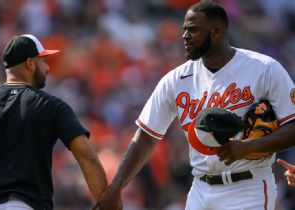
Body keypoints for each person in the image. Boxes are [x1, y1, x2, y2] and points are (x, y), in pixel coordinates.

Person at [93, 1, 295, 210]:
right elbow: (145, 136)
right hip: (200, 189)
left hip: (248, 187)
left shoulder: (264, 69)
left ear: (216, 31)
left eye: (193, 29)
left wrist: (250, 147)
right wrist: (116, 187)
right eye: (184, 30)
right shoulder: (176, 79)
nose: (185, 36)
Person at [0, 34, 108, 210]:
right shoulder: (52, 106)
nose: (47, 67)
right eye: (43, 61)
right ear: (30, 63)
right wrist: (108, 203)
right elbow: (88, 158)